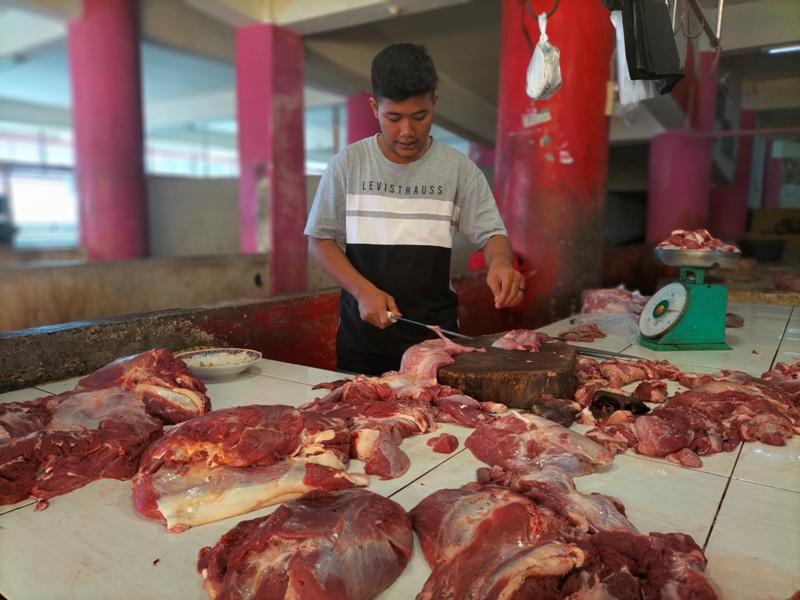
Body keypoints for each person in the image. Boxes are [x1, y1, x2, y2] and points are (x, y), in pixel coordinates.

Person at [304, 43, 524, 376]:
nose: (407, 131)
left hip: (437, 344)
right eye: (393, 118)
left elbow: (491, 234)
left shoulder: (458, 170)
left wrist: (502, 263)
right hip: (364, 345)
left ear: (434, 103)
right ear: (374, 106)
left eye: (420, 116)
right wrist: (363, 291)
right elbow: (320, 241)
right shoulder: (349, 164)